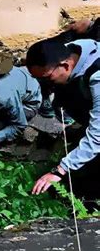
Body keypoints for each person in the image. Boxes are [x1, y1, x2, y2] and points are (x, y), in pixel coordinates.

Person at [26, 37, 100, 198]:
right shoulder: (68, 52)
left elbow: (97, 136)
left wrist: (60, 170)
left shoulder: (97, 77)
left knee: (88, 181)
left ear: (66, 66)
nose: (42, 83)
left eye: (45, 78)